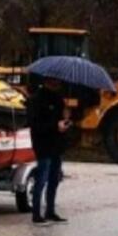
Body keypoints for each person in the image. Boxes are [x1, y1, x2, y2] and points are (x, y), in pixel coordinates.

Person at [28, 76, 71, 225]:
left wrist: (66, 121)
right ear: (47, 81)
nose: (58, 84)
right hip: (43, 145)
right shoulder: (36, 100)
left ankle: (50, 210)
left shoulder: (59, 100)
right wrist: (55, 126)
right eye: (55, 81)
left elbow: (62, 120)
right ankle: (36, 213)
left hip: (56, 145)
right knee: (42, 179)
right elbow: (36, 125)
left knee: (54, 179)